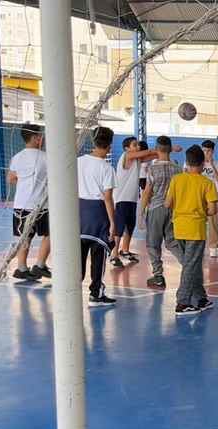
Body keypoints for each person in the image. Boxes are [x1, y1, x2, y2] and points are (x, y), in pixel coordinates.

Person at [165, 145, 218, 315]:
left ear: (186, 162)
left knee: (192, 265)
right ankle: (182, 302)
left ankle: (201, 298)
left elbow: (167, 204)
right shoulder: (207, 183)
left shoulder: (176, 180)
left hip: (178, 227)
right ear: (203, 164)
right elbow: (212, 210)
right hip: (195, 229)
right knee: (190, 266)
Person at [77, 126, 118, 307]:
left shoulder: (77, 162)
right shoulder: (106, 168)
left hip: (78, 211)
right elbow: (108, 198)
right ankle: (96, 293)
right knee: (98, 254)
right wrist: (112, 223)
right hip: (97, 213)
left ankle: (71, 292)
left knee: (76, 257)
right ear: (109, 145)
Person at [7, 124, 51, 281]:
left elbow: (11, 179)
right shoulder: (46, 157)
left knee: (24, 237)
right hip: (40, 206)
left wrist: (25, 178)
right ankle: (40, 264)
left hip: (20, 204)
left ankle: (22, 267)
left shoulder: (17, 157)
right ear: (34, 138)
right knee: (50, 233)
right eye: (40, 135)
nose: (42, 138)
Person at [140, 135, 183, 289]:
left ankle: (158, 276)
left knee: (153, 243)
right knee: (172, 242)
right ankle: (188, 266)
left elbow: (147, 192)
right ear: (170, 149)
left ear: (157, 149)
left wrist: (141, 213)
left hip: (156, 209)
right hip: (172, 209)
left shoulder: (152, 169)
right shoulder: (178, 169)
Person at [109, 136, 157, 268]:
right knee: (119, 228)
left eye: (138, 145)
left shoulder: (136, 160)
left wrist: (165, 151)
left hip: (131, 198)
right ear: (126, 148)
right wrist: (157, 149)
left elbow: (149, 156)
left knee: (130, 226)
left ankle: (124, 250)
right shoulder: (127, 156)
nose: (138, 147)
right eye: (135, 145)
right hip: (122, 198)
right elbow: (147, 153)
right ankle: (114, 255)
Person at [199, 139, 218, 257]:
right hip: (200, 197)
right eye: (204, 151)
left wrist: (212, 164)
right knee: (199, 223)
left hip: (214, 197)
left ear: (212, 151)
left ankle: (213, 247)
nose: (206, 153)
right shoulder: (198, 163)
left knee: (214, 223)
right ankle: (198, 247)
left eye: (208, 151)